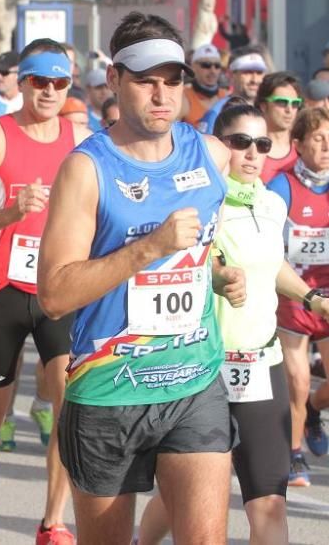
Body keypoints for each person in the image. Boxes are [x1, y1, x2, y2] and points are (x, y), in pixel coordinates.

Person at [38, 12, 239, 545]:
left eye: (172, 80)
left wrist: (220, 276)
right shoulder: (87, 169)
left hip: (193, 381)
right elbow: (55, 294)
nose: (161, 94)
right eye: (146, 80)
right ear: (114, 80)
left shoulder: (210, 155)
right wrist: (148, 248)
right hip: (109, 391)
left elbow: (202, 248)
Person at [137, 101, 328, 545]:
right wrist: (218, 275)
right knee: (186, 494)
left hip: (262, 364)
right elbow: (189, 260)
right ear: (217, 145)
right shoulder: (201, 198)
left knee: (269, 501)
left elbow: (272, 262)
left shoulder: (271, 202)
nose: (252, 152)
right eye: (239, 142)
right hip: (205, 367)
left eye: (261, 143)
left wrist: (312, 297)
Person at [0, 38, 89, 545]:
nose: (49, 91)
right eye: (39, 81)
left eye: (60, 82)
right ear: (22, 82)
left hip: (59, 288)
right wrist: (12, 212)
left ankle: (54, 522)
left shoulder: (80, 138)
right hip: (1, 289)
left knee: (68, 403)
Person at [268, 106, 329, 487]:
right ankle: (292, 454)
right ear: (298, 144)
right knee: (298, 378)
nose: (326, 146)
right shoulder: (282, 186)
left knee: (312, 391)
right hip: (293, 294)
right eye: (319, 139)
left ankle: (310, 412)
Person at [196, 46, 268, 133]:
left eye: (259, 73)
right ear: (231, 75)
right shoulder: (217, 113)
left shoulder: (271, 110)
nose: (254, 80)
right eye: (247, 72)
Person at [256, 71, 304, 182]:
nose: (289, 109)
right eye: (282, 102)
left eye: (295, 103)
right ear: (263, 105)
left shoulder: (304, 147)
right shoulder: (249, 146)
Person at [182, 43, 228, 127]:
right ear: (193, 67)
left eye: (217, 66)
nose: (213, 71)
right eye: (206, 65)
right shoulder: (183, 97)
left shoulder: (226, 96)